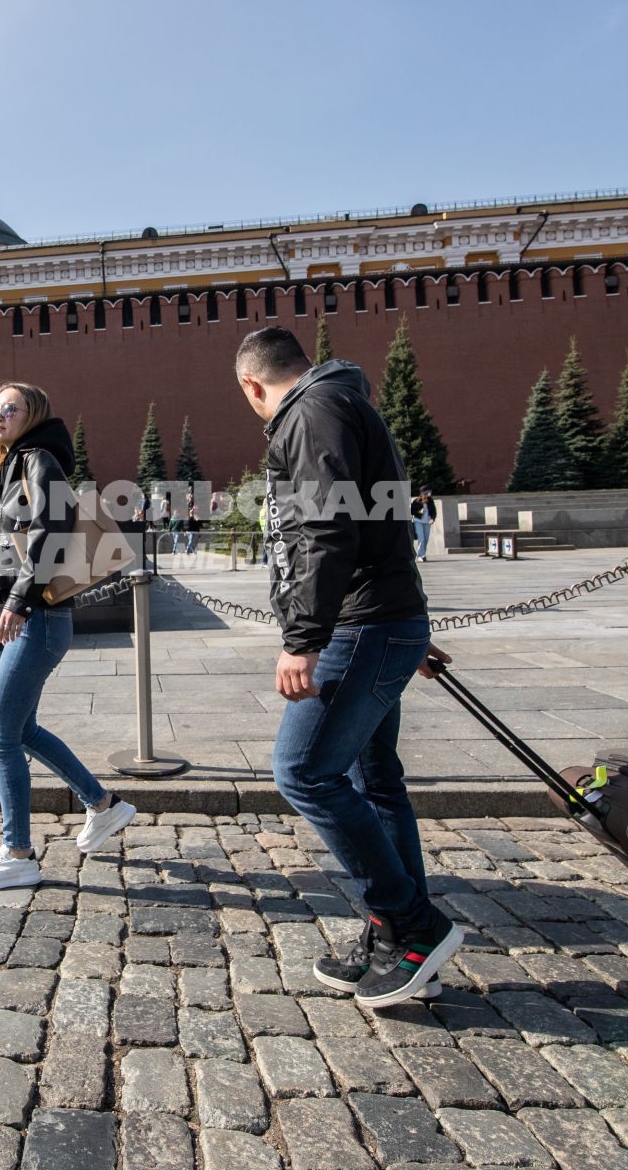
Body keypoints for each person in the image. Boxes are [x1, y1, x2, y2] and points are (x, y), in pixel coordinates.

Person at [233, 328, 461, 1007]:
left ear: (253, 386)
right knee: (374, 777)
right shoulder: (343, 403)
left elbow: (325, 529)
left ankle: (413, 926)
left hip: (355, 626)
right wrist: (407, 626)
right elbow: (380, 522)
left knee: (303, 770)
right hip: (380, 621)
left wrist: (304, 638)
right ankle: (396, 935)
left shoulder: (309, 413)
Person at [0, 382, 138, 892]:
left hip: (38, 618)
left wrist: (18, 598)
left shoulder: (38, 458)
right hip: (40, 618)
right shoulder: (17, 462)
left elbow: (51, 527)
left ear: (32, 413)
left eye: (9, 407)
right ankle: (104, 806)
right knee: (23, 731)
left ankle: (17, 853)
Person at [410, 488, 436, 562]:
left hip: (427, 522)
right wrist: (419, 511)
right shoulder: (416, 501)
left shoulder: (430, 501)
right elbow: (411, 511)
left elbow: (434, 512)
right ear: (422, 494)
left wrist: (432, 519)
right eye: (426, 493)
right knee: (421, 538)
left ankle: (423, 554)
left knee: (426, 539)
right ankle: (420, 556)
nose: (427, 495)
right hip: (418, 521)